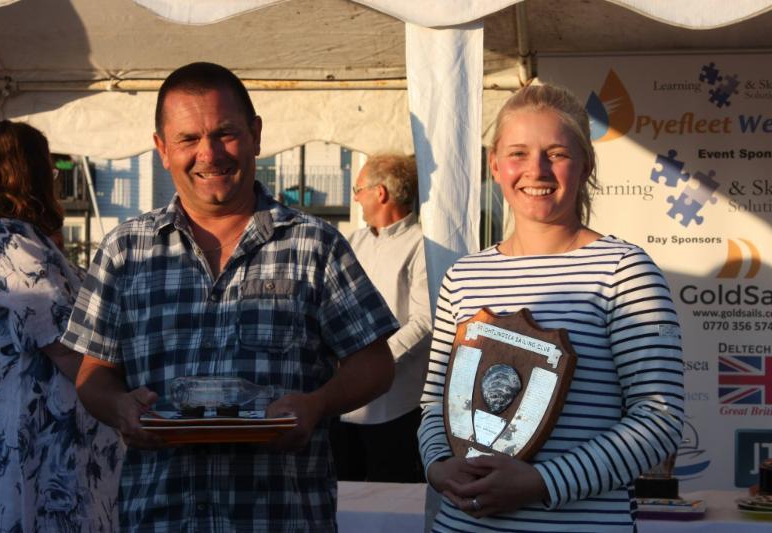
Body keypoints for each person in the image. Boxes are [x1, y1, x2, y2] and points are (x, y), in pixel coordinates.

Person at [61, 62, 398, 532]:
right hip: (160, 517)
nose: (209, 154)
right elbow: (94, 374)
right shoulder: (125, 250)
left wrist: (317, 403)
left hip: (278, 517)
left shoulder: (314, 245)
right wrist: (119, 408)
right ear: (161, 148)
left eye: (225, 133)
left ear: (256, 135)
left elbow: (376, 364)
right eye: (188, 139)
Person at [418, 84, 684, 532]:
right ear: (495, 165)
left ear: (586, 166)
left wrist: (543, 481)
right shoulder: (463, 277)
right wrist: (439, 467)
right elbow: (432, 406)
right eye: (518, 153)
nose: (535, 170)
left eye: (556, 153)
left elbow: (659, 418)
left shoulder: (624, 271)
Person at [0, 121, 122, 532]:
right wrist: (125, 398)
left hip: (24, 444)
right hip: (33, 453)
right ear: (34, 175)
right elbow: (67, 350)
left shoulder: (6, 240)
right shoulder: (14, 245)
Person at [331, 153, 431, 483]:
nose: (356, 197)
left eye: (358, 189)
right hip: (343, 406)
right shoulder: (352, 242)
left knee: (393, 508)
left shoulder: (421, 246)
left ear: (380, 193)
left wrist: (375, 362)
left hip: (396, 407)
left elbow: (425, 322)